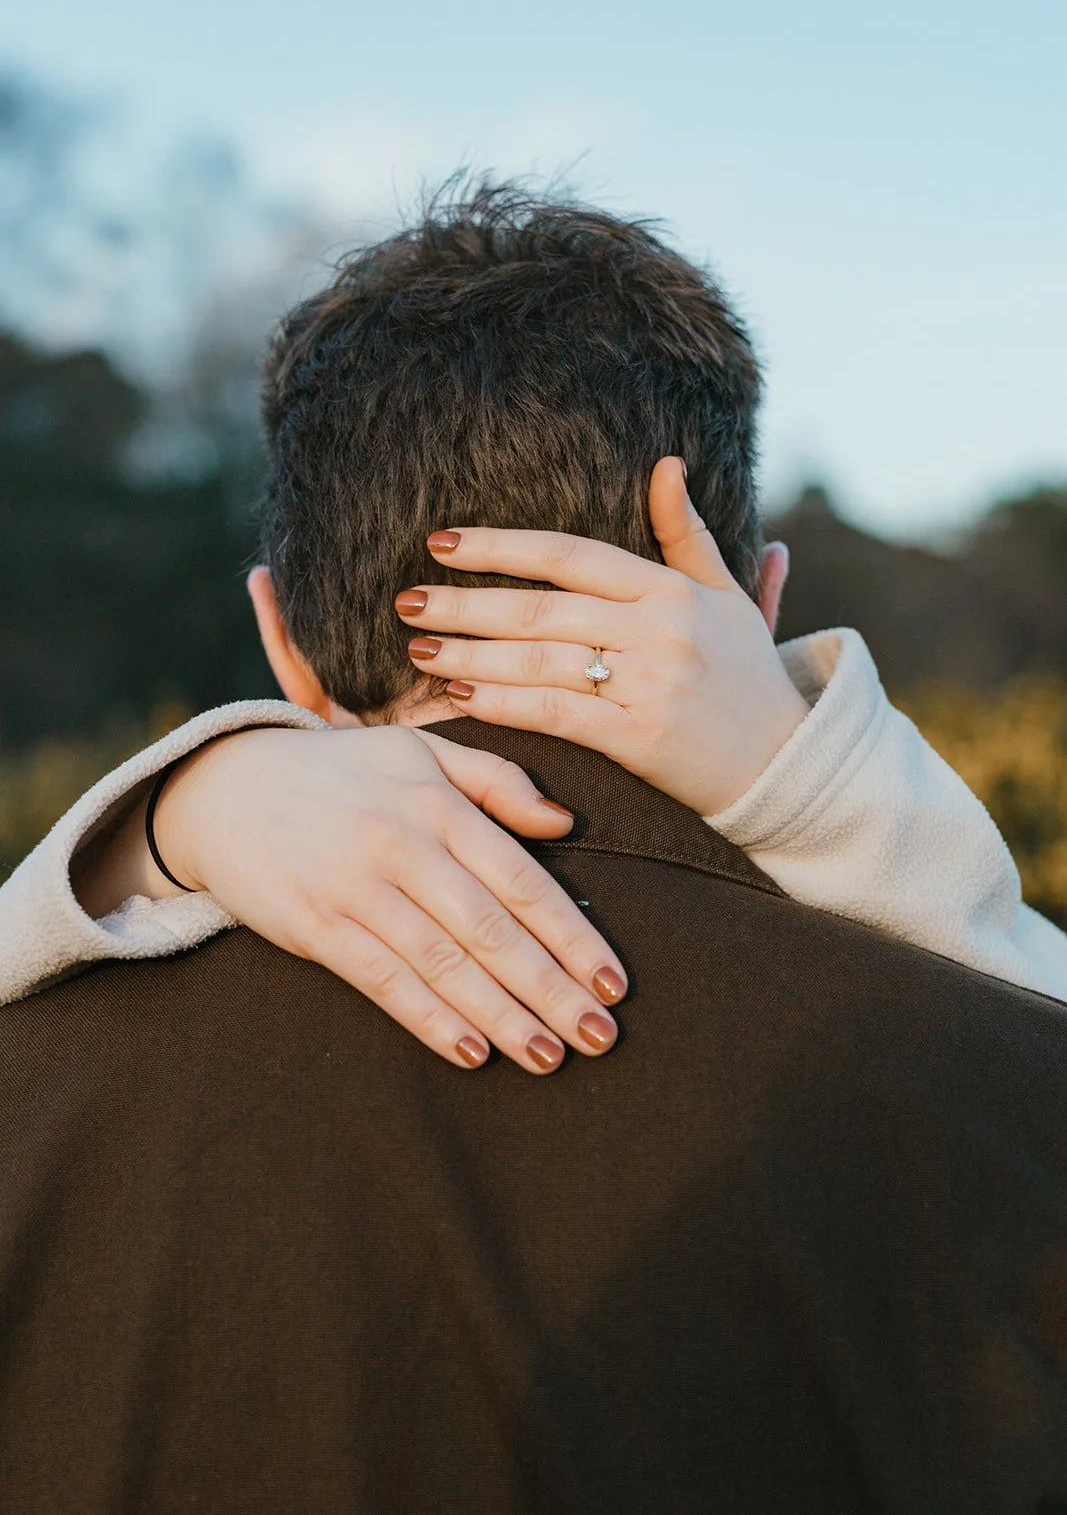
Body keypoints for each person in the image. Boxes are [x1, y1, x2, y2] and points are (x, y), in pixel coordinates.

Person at [1, 183, 1066, 1511]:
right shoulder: (1007, 1098)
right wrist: (824, 786)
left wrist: (156, 822)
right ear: (764, 602)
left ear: (284, 639)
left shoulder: (37, 1079)